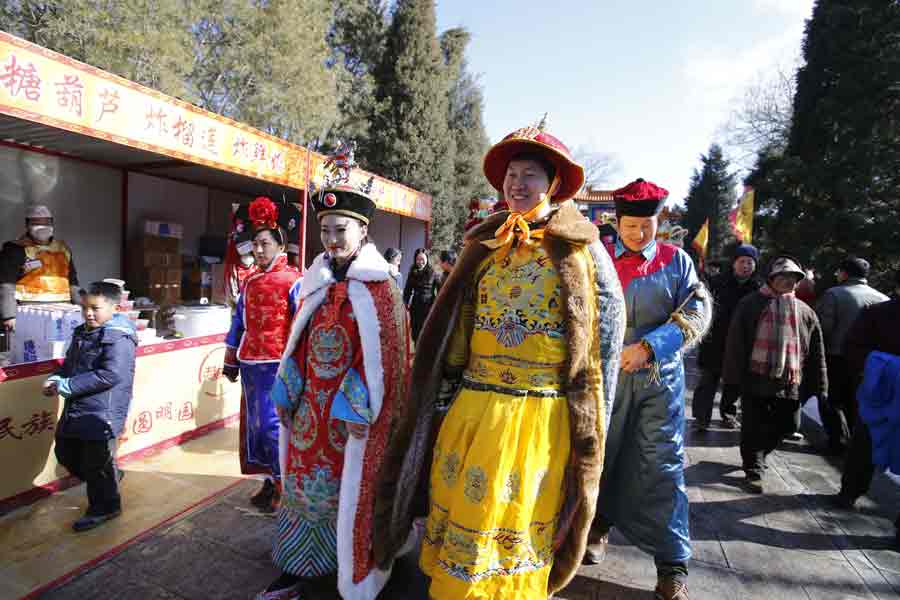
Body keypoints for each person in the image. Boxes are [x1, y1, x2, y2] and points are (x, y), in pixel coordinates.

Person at [375, 120, 626, 600]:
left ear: (553, 183)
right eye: (511, 173)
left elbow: (604, 344)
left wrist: (589, 424)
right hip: (474, 407)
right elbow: (455, 324)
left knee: (512, 522)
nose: (517, 183)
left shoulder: (582, 252)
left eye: (530, 173)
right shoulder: (483, 245)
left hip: (538, 414)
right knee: (463, 518)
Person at [260, 176, 411, 600]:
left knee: (349, 493)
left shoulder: (382, 290)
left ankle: (347, 571)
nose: (331, 240)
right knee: (305, 490)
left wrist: (357, 409)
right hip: (311, 410)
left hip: (350, 418)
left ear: (363, 231)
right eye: (325, 230)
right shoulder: (316, 281)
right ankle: (299, 566)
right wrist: (287, 394)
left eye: (340, 230)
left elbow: (388, 358)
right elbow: (298, 344)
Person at [589, 178, 712, 600]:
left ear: (659, 222)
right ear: (616, 223)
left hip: (661, 380)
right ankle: (594, 527)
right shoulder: (598, 260)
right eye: (630, 226)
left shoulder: (678, 262)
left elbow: (697, 311)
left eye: (648, 225)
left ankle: (672, 565)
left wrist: (650, 347)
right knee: (599, 454)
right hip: (605, 377)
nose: (639, 234)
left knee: (662, 464)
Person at [723, 256, 828, 494]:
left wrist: (820, 384)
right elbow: (735, 342)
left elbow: (816, 351)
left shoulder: (805, 312)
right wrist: (732, 377)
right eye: (782, 277)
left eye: (793, 278)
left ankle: (759, 454)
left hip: (789, 382)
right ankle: (754, 469)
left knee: (789, 424)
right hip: (755, 378)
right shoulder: (750, 304)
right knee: (752, 425)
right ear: (771, 279)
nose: (788, 281)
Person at [223, 197, 302, 513]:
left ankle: (285, 484)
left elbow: (300, 327)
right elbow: (238, 322)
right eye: (255, 243)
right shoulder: (251, 280)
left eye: (264, 243)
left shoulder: (294, 280)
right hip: (251, 364)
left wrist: (299, 367)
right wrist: (230, 359)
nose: (257, 249)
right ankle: (269, 480)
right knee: (254, 427)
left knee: (274, 426)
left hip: (278, 365)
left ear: (279, 244)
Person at [43, 282, 137, 532]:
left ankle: (106, 507)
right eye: (85, 308)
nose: (88, 313)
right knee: (65, 452)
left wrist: (69, 385)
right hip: (80, 406)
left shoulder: (119, 337)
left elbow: (111, 374)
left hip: (102, 411)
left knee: (96, 465)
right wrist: (56, 377)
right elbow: (70, 365)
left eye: (95, 308)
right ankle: (110, 477)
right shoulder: (82, 332)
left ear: (115, 308)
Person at [830, 269, 899, 550]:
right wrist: (882, 371)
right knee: (865, 444)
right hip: (880, 395)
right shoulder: (878, 313)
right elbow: (855, 346)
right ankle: (850, 491)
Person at [815, 256, 888, 454]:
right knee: (856, 402)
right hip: (870, 362)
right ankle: (857, 445)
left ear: (844, 273)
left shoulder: (834, 294)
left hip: (835, 356)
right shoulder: (883, 299)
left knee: (830, 399)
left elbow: (823, 329)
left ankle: (836, 441)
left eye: (839, 271)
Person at [693, 244, 761, 431]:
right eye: (742, 261)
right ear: (733, 263)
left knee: (734, 382)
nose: (746, 266)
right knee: (708, 381)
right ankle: (701, 418)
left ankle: (728, 414)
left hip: (742, 343)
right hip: (715, 339)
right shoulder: (717, 282)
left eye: (750, 262)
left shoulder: (758, 288)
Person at [0, 204, 81, 333]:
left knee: (60, 348)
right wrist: (9, 315)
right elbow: (6, 284)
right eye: (36, 223)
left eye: (47, 222)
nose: (43, 227)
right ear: (27, 226)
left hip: (63, 308)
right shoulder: (15, 249)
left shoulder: (62, 248)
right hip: (29, 308)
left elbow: (73, 282)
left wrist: (82, 306)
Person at [403, 248, 439, 342]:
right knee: (416, 333)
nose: (420, 262)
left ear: (427, 259)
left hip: (429, 307)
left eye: (423, 259)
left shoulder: (432, 272)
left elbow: (440, 289)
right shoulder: (412, 272)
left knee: (427, 333)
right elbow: (407, 290)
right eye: (418, 259)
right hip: (415, 307)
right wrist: (405, 303)